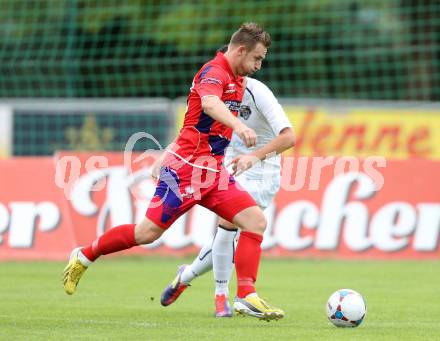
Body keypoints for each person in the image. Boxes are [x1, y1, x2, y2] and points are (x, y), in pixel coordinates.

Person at [63, 22, 284, 321]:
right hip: (185, 171)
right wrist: (239, 126)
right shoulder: (214, 72)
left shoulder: (238, 79)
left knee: (255, 221)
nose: (259, 65)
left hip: (214, 172)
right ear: (241, 50)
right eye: (257, 58)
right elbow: (208, 105)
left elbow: (192, 124)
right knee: (146, 234)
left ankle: (246, 295)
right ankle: (85, 254)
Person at [158, 55, 295, 317]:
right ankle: (226, 298)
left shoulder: (258, 92)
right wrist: (168, 155)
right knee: (228, 226)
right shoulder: (213, 91)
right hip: (224, 166)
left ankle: (187, 276)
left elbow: (289, 137)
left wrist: (253, 157)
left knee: (230, 230)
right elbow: (193, 131)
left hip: (262, 172)